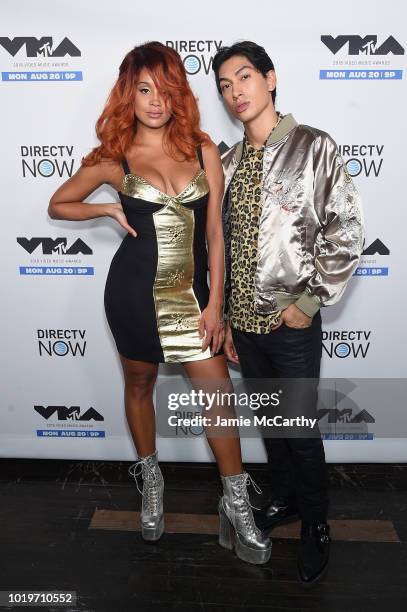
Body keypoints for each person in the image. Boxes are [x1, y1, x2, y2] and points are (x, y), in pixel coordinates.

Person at [48, 41, 271, 565]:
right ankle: (151, 481)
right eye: (144, 89)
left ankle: (236, 503)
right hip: (131, 294)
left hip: (193, 298)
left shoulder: (204, 150)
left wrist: (217, 304)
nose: (154, 101)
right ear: (130, 93)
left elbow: (216, 234)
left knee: (217, 396)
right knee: (140, 383)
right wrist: (104, 210)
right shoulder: (114, 157)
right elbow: (58, 204)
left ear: (179, 94)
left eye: (165, 90)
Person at [212, 41, 364, 585]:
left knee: (298, 429)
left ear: (270, 79)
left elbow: (345, 230)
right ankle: (285, 501)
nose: (236, 93)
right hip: (245, 327)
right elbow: (222, 247)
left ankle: (317, 523)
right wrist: (227, 318)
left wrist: (308, 302)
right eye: (225, 85)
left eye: (245, 77)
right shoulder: (227, 161)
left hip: (291, 322)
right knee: (271, 428)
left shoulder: (313, 146)